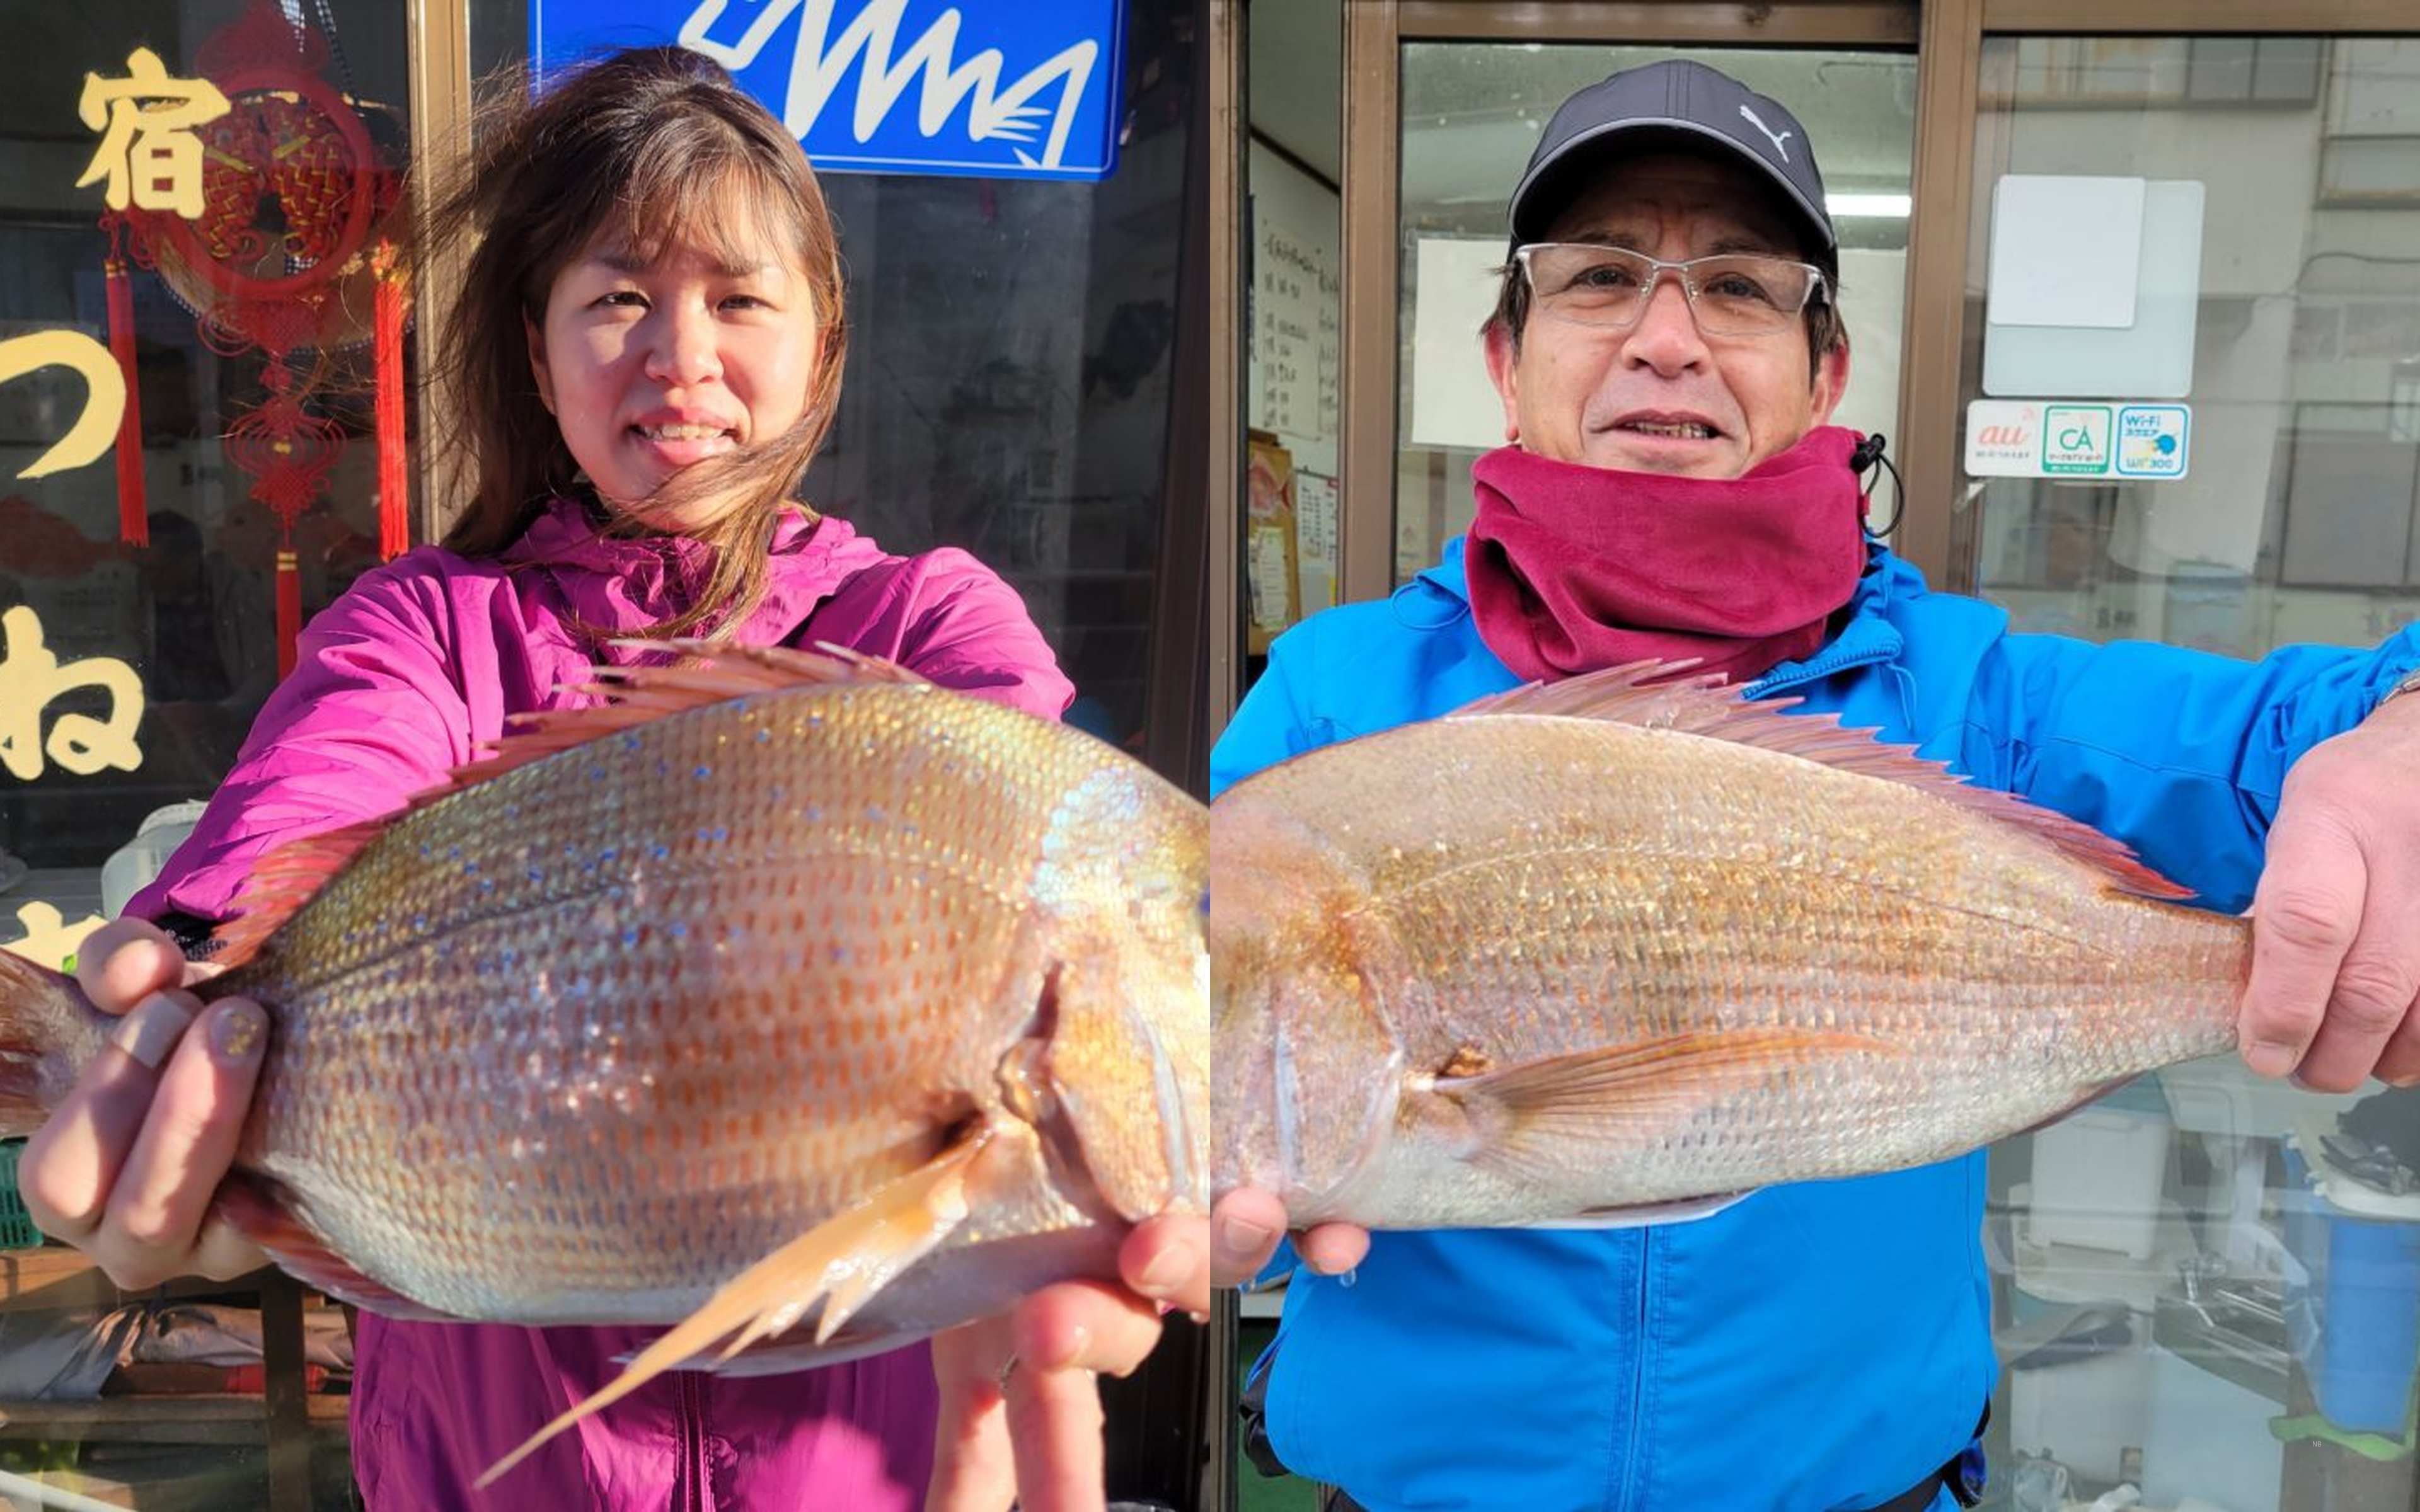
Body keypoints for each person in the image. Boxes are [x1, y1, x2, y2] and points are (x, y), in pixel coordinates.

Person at [1210, 59, 2420, 1511]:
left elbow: (2314, 727)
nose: (1669, 337)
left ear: (1826, 369)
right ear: (1503, 357)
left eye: (1738, 286)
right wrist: (1213, 1203)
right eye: (1601, 277)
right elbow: (1222, 1074)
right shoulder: (1334, 702)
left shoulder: (1980, 701)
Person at [18, 47, 1205, 1512]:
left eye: (742, 299)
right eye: (620, 297)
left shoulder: (925, 630)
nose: (681, 359)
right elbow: (310, 807)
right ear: (538, 350)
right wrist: (182, 973)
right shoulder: (427, 630)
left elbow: (1023, 869)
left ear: (824, 344)